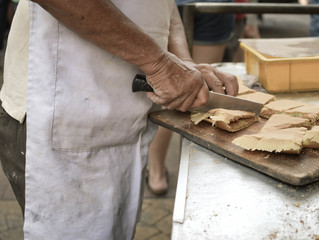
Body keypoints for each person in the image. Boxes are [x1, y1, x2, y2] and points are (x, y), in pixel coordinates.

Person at [0, 0, 238, 239]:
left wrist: (183, 63)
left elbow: (163, 6)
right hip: (62, 110)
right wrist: (160, 64)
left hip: (123, 119)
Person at [147, 0, 237, 196]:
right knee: (173, 98)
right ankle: (156, 169)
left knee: (205, 96)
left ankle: (201, 176)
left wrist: (186, 64)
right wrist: (164, 66)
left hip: (214, 5)